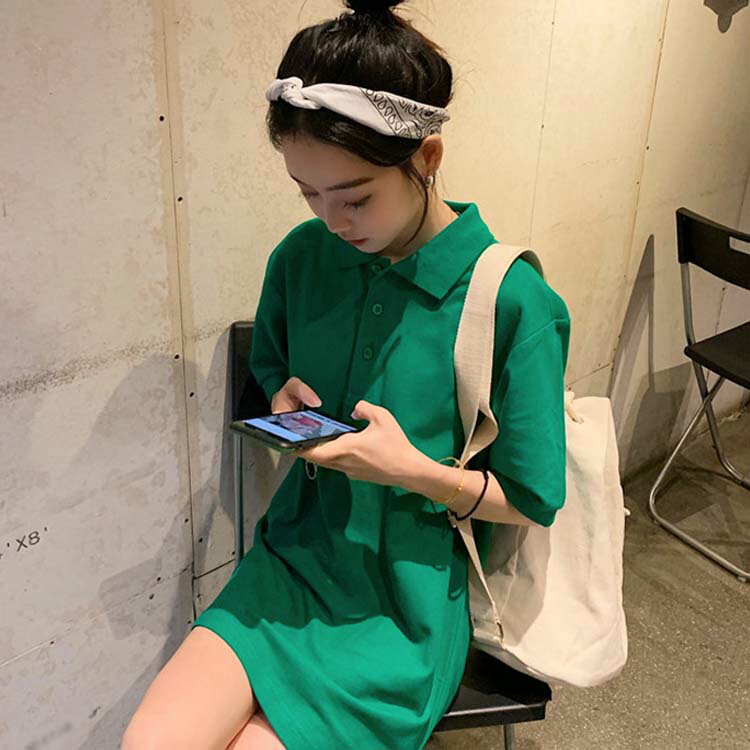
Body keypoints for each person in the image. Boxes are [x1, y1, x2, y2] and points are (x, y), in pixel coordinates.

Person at [122, 1, 570, 748]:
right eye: (308, 192)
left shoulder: (514, 302)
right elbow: (275, 366)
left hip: (405, 605)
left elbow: (531, 501)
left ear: (427, 157)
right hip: (292, 561)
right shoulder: (303, 258)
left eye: (356, 196)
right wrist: (283, 399)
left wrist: (413, 471)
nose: (332, 220)